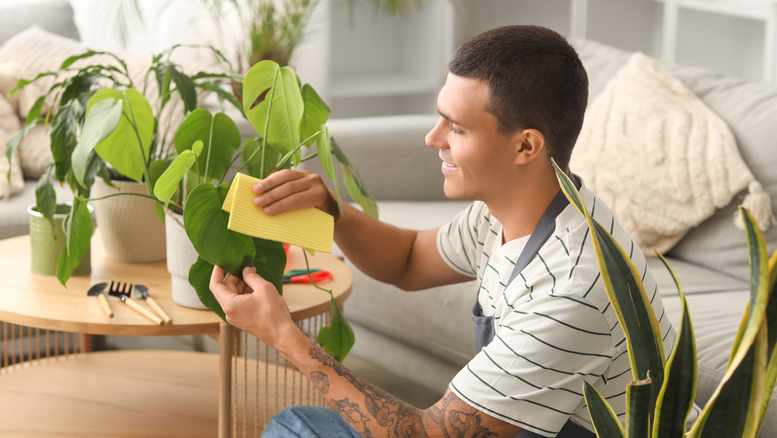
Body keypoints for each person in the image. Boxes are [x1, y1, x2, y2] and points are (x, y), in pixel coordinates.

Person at [209, 25, 678, 437]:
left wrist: (282, 334)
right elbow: (409, 259)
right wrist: (334, 212)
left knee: (296, 429)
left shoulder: (569, 290)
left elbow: (425, 433)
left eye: (456, 127)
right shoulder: (511, 210)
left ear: (526, 146)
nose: (432, 138)